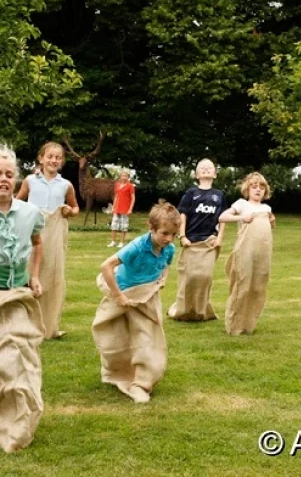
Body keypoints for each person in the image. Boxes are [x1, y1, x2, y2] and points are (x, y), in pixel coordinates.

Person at [92, 200, 180, 403]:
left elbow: (166, 265)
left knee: (148, 339)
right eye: (164, 233)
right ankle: (114, 372)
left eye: (173, 234)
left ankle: (141, 383)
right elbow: (106, 266)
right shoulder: (137, 247)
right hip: (123, 294)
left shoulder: (169, 249)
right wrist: (119, 296)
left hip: (147, 298)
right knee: (114, 338)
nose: (169, 239)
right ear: (151, 228)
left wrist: (163, 279)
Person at [0, 144, 45, 453]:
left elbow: (37, 242)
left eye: (8, 174)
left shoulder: (30, 213)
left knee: (17, 358)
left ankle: (16, 423)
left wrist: (35, 275)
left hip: (17, 295)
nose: (3, 179)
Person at [16, 141, 79, 339]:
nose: (53, 160)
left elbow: (75, 208)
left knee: (52, 275)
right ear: (41, 158)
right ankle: (23, 320)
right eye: (49, 156)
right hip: (32, 234)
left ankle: (49, 324)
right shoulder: (30, 181)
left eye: (57, 157)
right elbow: (17, 202)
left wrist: (70, 211)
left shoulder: (66, 185)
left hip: (53, 236)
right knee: (27, 272)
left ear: (62, 162)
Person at [167, 158, 226, 321]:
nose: (206, 169)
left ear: (215, 174)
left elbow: (223, 218)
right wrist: (182, 236)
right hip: (191, 241)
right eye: (202, 168)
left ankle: (201, 311)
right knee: (190, 277)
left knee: (205, 277)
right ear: (196, 174)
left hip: (209, 241)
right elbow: (182, 215)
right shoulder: (191, 193)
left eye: (210, 168)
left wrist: (219, 238)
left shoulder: (219, 195)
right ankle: (181, 309)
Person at [219, 172, 276, 335]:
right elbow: (223, 217)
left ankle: (249, 323)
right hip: (245, 251)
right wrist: (242, 218)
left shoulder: (267, 208)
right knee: (243, 285)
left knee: (258, 286)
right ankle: (234, 324)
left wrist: (272, 220)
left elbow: (270, 225)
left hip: (262, 253)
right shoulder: (242, 204)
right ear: (247, 189)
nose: (258, 190)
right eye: (254, 186)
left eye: (262, 187)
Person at [107, 169, 135, 248]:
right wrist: (113, 207)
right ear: (120, 176)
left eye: (126, 176)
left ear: (128, 177)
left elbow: (133, 198)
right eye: (122, 176)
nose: (124, 177)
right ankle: (113, 242)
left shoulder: (130, 186)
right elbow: (116, 196)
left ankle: (122, 242)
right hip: (117, 209)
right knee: (114, 225)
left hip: (125, 209)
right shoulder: (117, 185)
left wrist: (130, 209)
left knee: (123, 226)